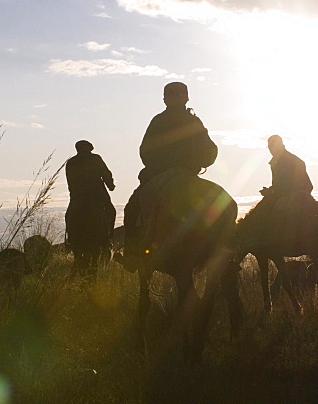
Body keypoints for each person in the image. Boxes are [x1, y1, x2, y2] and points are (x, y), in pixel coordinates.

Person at [120, 82, 218, 270]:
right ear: (186, 98)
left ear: (165, 99)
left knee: (132, 209)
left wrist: (157, 165)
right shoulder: (195, 122)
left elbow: (145, 151)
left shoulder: (158, 121)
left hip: (160, 175)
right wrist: (200, 162)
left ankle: (131, 255)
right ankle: (225, 255)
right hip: (189, 175)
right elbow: (211, 150)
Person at [64, 140, 116, 275]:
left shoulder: (70, 162)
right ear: (88, 148)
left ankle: (71, 240)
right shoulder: (95, 158)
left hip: (77, 197)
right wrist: (110, 185)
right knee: (111, 211)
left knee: (69, 215)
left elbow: (70, 181)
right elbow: (106, 173)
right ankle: (108, 238)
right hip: (97, 196)